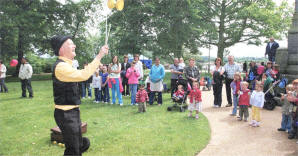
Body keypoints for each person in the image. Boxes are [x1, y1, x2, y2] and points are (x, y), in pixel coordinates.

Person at [50, 35, 108, 155]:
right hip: (66, 115)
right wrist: (99, 56)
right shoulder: (61, 67)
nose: (74, 46)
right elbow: (83, 75)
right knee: (73, 150)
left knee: (79, 144)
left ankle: (80, 145)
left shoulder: (66, 65)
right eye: (71, 44)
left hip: (72, 112)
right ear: (61, 49)